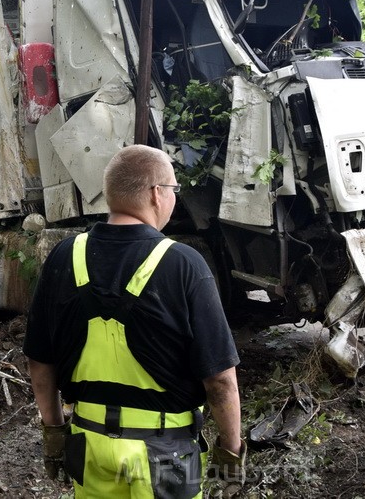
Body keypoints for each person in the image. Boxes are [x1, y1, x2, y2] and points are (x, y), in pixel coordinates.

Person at [23, 144, 245, 498]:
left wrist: (54, 434)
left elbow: (40, 360)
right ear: (157, 194)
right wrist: (230, 452)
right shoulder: (184, 265)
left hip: (90, 448)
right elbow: (219, 379)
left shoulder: (65, 256)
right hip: (164, 459)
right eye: (173, 189)